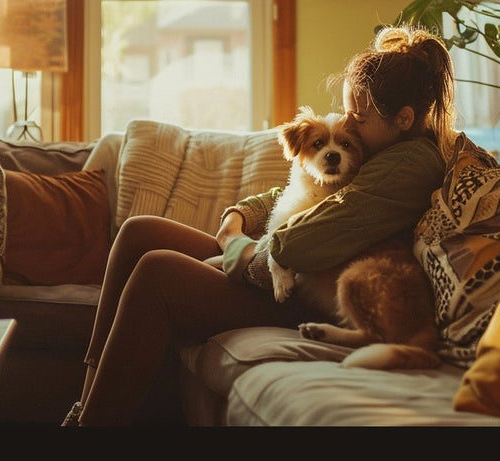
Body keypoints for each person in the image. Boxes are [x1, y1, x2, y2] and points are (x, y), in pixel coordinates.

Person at [63, 25, 460, 426]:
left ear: (403, 118)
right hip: (294, 271)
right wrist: (239, 216)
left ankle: (94, 424)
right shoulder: (383, 147)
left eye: (358, 117)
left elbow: (303, 242)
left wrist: (236, 249)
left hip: (304, 291)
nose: (349, 125)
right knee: (140, 231)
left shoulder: (408, 165)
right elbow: (295, 195)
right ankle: (84, 402)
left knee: (157, 270)